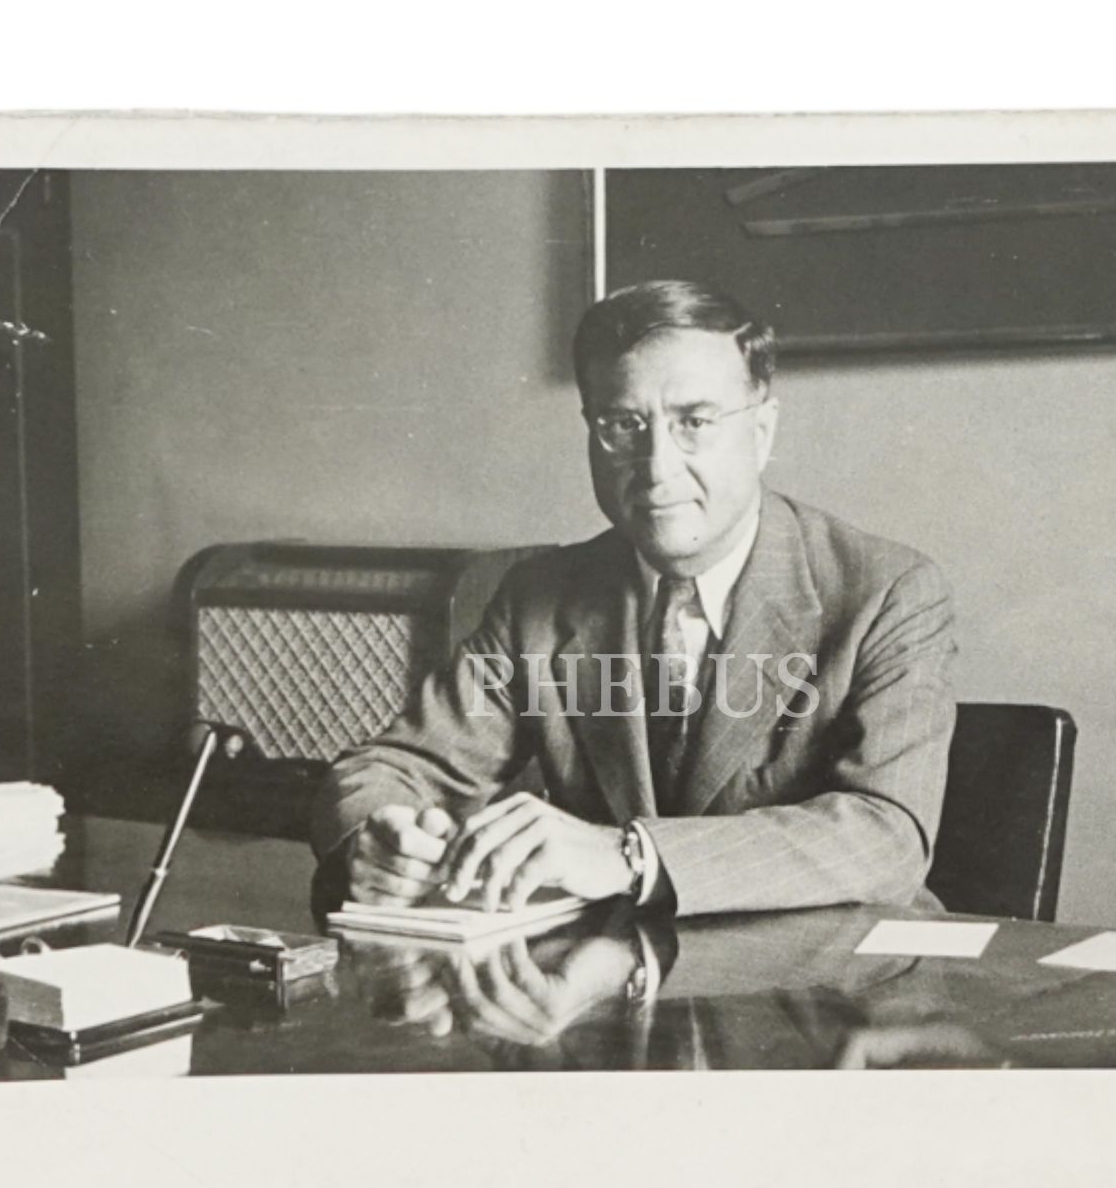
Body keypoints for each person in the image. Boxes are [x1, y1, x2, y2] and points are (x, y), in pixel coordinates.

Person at [311, 280, 956, 919]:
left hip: (825, 971)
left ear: (761, 432)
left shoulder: (887, 591)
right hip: (607, 968)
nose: (656, 467)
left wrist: (631, 856)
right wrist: (378, 835)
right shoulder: (537, 597)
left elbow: (887, 834)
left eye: (694, 423)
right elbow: (396, 766)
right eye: (624, 425)